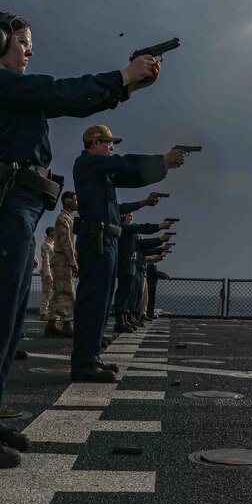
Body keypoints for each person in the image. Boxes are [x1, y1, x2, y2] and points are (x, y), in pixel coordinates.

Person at [0, 11, 160, 469]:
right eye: (22, 40)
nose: (28, 49)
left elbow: (69, 101)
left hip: (14, 207)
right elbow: (64, 94)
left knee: (6, 320)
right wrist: (123, 76)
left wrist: (126, 87)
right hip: (1, 208)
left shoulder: (12, 91)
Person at [71, 125, 186, 382]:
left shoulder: (101, 171)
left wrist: (163, 168)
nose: (112, 149)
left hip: (106, 240)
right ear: (95, 143)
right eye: (108, 143)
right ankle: (83, 362)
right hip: (97, 239)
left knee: (101, 301)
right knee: (94, 300)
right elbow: (126, 164)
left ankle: (92, 357)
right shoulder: (87, 163)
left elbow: (133, 176)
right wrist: (161, 159)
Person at [114, 213, 172, 332]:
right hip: (127, 265)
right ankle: (122, 319)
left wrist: (160, 245)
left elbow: (143, 246)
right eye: (129, 216)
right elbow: (142, 242)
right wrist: (159, 233)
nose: (131, 217)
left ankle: (127, 317)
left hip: (132, 267)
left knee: (133, 294)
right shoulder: (125, 230)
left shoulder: (130, 237)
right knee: (126, 293)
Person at [47, 192, 79, 337]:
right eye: (75, 200)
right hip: (63, 261)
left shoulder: (67, 218)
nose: (77, 202)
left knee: (56, 292)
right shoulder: (64, 219)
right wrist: (73, 262)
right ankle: (67, 324)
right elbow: (67, 244)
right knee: (66, 291)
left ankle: (52, 323)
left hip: (60, 260)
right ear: (68, 201)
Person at [38, 227, 56, 322]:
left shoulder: (52, 245)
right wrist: (48, 274)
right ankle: (43, 313)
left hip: (53, 271)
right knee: (47, 292)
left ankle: (47, 311)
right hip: (47, 272)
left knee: (50, 293)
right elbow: (46, 261)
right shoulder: (46, 246)